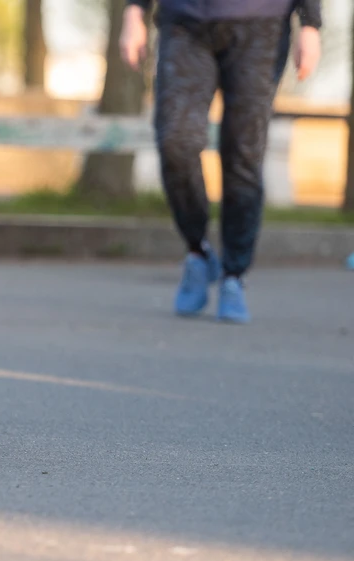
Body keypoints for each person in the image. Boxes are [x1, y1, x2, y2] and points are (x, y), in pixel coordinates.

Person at [120, 0, 322, 323]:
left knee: (243, 151)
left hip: (262, 25)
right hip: (184, 22)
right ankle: (198, 249)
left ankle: (234, 274)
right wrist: (133, 12)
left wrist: (310, 23)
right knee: (175, 140)